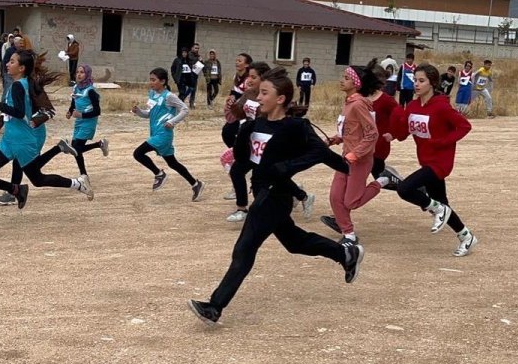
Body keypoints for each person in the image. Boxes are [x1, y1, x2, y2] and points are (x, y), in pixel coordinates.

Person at [186, 67, 364, 326]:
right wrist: (240, 139)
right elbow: (247, 160)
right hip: (261, 192)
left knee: (244, 249)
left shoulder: (294, 127)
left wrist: (350, 170)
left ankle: (214, 306)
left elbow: (320, 153)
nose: (258, 98)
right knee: (295, 242)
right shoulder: (256, 124)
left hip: (276, 195)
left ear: (280, 98)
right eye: (259, 93)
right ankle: (345, 255)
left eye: (264, 93)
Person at [0, 49, 93, 228]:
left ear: (22, 68)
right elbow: (16, 111)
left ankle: (77, 183)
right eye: (9, 61)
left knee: (37, 179)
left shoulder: (18, 85)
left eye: (12, 62)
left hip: (22, 141)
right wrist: (1, 115)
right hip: (10, 139)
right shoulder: (20, 83)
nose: (8, 64)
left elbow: (18, 112)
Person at [387, 63, 478, 257]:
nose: (417, 85)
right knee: (442, 203)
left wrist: (441, 141)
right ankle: (466, 236)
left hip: (440, 162)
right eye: (415, 80)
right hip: (425, 160)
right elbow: (404, 132)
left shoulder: (441, 106)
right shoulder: (412, 105)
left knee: (405, 189)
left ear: (432, 83)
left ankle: (437, 209)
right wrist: (392, 133)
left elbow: (464, 126)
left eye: (421, 81)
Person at [223, 61, 316, 223]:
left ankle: (302, 196)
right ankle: (242, 209)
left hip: (268, 142)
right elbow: (240, 114)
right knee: (238, 170)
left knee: (270, 175)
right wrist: (232, 105)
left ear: (264, 78)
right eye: (248, 76)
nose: (249, 80)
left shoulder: (270, 96)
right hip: (252, 142)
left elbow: (273, 116)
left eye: (254, 77)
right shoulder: (249, 93)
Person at [320, 65, 381, 244]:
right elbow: (351, 131)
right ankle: (349, 235)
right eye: (343, 77)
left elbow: (372, 134)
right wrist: (334, 139)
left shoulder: (359, 104)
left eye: (346, 78)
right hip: (345, 159)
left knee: (351, 202)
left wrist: (355, 154)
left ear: (356, 83)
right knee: (335, 197)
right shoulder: (348, 103)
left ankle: (383, 180)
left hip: (360, 160)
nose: (342, 80)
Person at [131, 67, 205, 201]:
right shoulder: (152, 94)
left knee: (138, 153)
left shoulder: (169, 96)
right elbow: (149, 114)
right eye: (150, 80)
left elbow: (184, 109)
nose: (151, 82)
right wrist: (138, 111)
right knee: (173, 163)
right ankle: (195, 184)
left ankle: (159, 174)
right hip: (155, 133)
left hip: (163, 135)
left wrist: (173, 121)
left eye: (154, 80)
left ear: (163, 81)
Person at [34, 63, 109, 182]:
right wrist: (70, 111)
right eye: (77, 72)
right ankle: (97, 147)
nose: (79, 74)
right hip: (79, 121)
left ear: (87, 74)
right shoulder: (76, 88)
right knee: (76, 149)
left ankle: (84, 175)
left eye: (82, 72)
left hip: (88, 121)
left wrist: (82, 115)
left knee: (76, 148)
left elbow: (97, 111)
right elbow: (74, 102)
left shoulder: (90, 91)